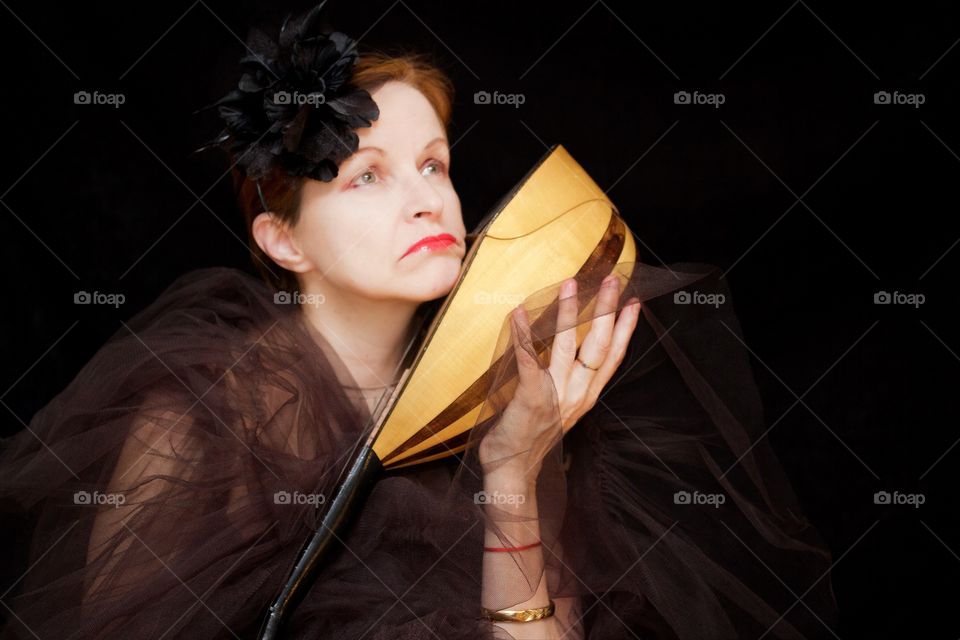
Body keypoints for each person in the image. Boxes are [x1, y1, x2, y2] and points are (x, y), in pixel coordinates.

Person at [0, 5, 839, 639]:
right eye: (368, 176)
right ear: (283, 238)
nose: (428, 199)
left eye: (434, 163)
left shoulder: (516, 402)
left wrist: (513, 470)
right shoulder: (201, 420)